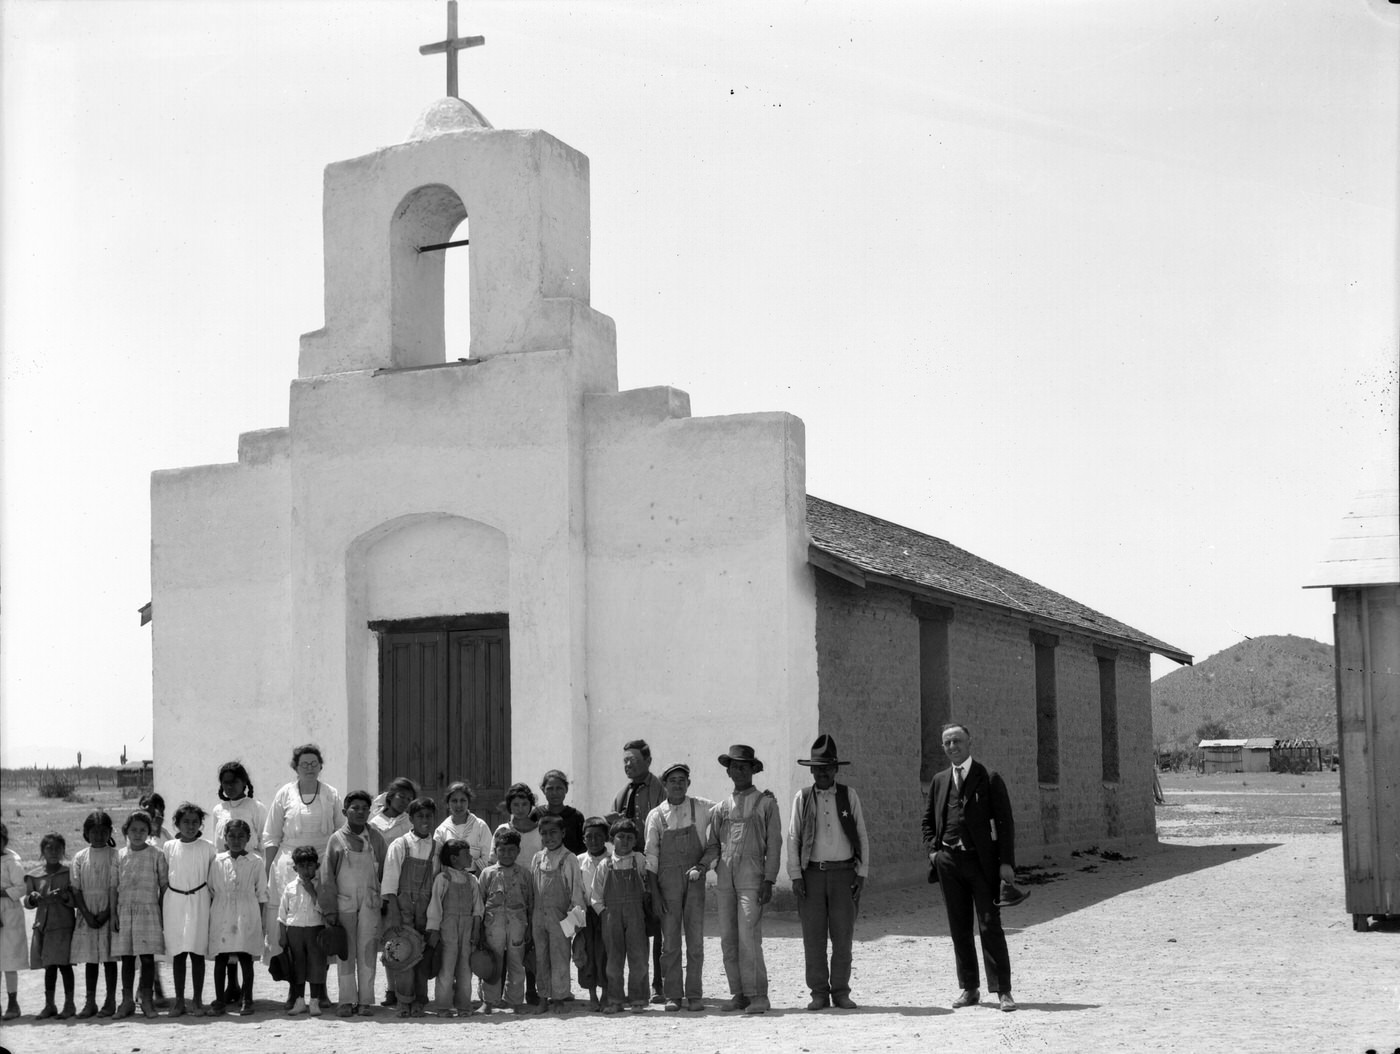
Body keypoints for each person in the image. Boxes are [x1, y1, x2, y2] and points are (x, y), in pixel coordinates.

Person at [921, 722, 1019, 1012]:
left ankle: (1003, 990)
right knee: (959, 927)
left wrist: (1006, 863)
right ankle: (969, 988)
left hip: (982, 863)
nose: (953, 746)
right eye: (948, 743)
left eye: (957, 741)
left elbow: (1005, 823)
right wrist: (933, 853)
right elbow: (927, 822)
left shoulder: (988, 777)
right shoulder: (939, 781)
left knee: (990, 925)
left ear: (969, 743)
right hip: (949, 862)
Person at [786, 733, 869, 1011]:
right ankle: (818, 992)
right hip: (811, 875)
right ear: (811, 770)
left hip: (844, 874)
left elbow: (861, 835)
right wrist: (796, 875)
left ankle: (841, 991)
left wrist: (861, 872)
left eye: (827, 768)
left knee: (843, 936)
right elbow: (793, 837)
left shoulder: (849, 796)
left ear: (835, 769)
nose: (822, 773)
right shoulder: (803, 797)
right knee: (814, 936)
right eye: (817, 768)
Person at [707, 743, 781, 1015]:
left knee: (749, 936)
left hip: (752, 879)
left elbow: (774, 844)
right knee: (728, 938)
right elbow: (713, 844)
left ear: (753, 769)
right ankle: (738, 993)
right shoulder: (720, 808)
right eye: (733, 767)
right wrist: (705, 866)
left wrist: (769, 880)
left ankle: (758, 995)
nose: (738, 771)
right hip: (725, 880)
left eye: (743, 766)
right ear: (728, 772)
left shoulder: (766, 804)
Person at [261, 744, 342, 969]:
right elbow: (271, 836)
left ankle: (320, 989)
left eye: (313, 764)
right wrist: (268, 871)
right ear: (295, 767)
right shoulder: (284, 794)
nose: (309, 768)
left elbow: (340, 832)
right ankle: (293, 988)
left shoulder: (331, 794)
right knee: (291, 925)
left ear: (320, 766)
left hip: (322, 864)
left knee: (320, 922)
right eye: (304, 764)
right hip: (289, 867)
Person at [643, 762, 715, 1012]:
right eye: (672, 780)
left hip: (694, 878)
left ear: (689, 783)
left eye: (682, 780)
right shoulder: (656, 815)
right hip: (667, 883)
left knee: (695, 940)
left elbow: (728, 812)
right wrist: (654, 894)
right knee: (670, 941)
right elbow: (650, 856)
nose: (677, 784)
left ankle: (694, 994)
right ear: (665, 785)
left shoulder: (703, 807)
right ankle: (673, 993)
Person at [319, 789, 386, 1016]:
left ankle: (366, 1001)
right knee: (345, 953)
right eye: (355, 808)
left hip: (370, 903)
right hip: (343, 904)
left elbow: (385, 872)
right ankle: (346, 1001)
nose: (360, 812)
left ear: (370, 811)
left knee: (367, 952)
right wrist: (329, 910)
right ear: (344, 811)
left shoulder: (376, 838)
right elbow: (327, 877)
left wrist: (385, 902)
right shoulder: (336, 840)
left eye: (364, 808)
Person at [610, 739, 666, 1002]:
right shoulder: (623, 793)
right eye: (625, 761)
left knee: (661, 924)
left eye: (633, 760)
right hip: (629, 869)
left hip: (657, 865)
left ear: (648, 761)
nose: (628, 765)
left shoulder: (661, 790)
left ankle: (660, 983)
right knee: (636, 926)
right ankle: (635, 986)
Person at [209, 761, 265, 1004]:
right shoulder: (218, 810)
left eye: (235, 781)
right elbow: (216, 842)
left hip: (248, 870)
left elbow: (263, 839)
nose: (230, 786)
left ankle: (245, 992)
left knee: (242, 938)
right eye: (225, 782)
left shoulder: (256, 807)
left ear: (244, 782)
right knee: (227, 936)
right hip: (225, 870)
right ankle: (230, 987)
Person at [381, 796, 439, 1016]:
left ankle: (420, 999)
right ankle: (404, 999)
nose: (425, 820)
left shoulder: (436, 847)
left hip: (425, 906)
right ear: (412, 819)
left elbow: (436, 881)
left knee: (421, 952)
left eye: (429, 816)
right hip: (403, 905)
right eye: (420, 816)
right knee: (403, 951)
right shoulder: (400, 844)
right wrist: (394, 912)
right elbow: (390, 881)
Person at [206, 818, 266, 1016]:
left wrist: (261, 921)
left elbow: (261, 892)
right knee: (221, 957)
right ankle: (220, 1000)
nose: (236, 840)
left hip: (247, 912)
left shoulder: (256, 862)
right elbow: (213, 888)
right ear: (225, 838)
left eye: (241, 836)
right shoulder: (217, 861)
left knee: (245, 956)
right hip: (222, 912)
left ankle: (247, 1000)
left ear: (249, 838)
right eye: (232, 835)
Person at [112, 809, 167, 1018]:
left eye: (143, 830)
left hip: (148, 912)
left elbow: (163, 886)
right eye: (133, 830)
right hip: (125, 912)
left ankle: (147, 1001)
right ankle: (126, 1002)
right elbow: (112, 887)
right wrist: (114, 914)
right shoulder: (119, 856)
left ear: (149, 832)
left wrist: (161, 913)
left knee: (146, 959)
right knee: (127, 959)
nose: (138, 834)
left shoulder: (156, 854)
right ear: (126, 831)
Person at [529, 813, 586, 1012]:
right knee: (541, 958)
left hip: (561, 918)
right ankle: (543, 996)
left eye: (553, 833)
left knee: (560, 958)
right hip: (538, 917)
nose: (548, 837)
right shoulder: (537, 858)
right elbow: (533, 888)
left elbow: (576, 891)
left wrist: (574, 923)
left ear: (562, 833)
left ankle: (559, 998)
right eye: (543, 834)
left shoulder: (569, 859)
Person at [163, 803, 215, 1016]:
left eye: (195, 822)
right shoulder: (169, 847)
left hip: (199, 900)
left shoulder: (208, 847)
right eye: (186, 822)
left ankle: (197, 1000)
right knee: (178, 952)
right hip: (174, 901)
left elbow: (213, 877)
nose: (190, 826)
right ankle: (179, 1001)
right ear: (177, 824)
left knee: (196, 952)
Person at [367, 775, 415, 1008]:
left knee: (401, 936)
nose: (404, 801)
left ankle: (404, 987)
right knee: (387, 939)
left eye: (408, 798)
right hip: (378, 884)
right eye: (400, 796)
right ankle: (390, 988)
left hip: (402, 885)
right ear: (390, 796)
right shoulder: (374, 822)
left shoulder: (409, 822)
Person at [595, 818, 650, 1013]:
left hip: (635, 913)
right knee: (613, 960)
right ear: (612, 839)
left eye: (629, 838)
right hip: (611, 914)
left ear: (635, 841)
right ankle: (615, 1000)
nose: (625, 841)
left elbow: (647, 886)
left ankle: (638, 999)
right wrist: (605, 913)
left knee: (639, 957)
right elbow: (596, 895)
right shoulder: (605, 864)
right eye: (620, 837)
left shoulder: (640, 860)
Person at [476, 827, 534, 1013]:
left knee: (516, 962)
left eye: (511, 850)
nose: (507, 854)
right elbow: (480, 902)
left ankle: (515, 1001)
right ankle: (489, 1001)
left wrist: (529, 928)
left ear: (518, 851)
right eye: (502, 850)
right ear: (496, 851)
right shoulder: (487, 873)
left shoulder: (525, 874)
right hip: (493, 925)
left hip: (518, 923)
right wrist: (480, 930)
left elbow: (530, 902)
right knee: (493, 963)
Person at [70, 810, 119, 1018]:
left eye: (103, 831)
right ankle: (90, 1002)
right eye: (94, 831)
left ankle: (110, 1000)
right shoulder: (80, 857)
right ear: (86, 833)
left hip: (110, 910)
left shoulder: (116, 855)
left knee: (109, 959)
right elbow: (76, 889)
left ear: (110, 832)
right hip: (87, 913)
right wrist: (87, 914)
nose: (98, 836)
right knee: (91, 960)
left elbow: (119, 887)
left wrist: (108, 912)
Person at [425, 838, 482, 1016]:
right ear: (454, 859)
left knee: (466, 967)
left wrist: (476, 930)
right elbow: (435, 906)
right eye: (466, 854)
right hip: (447, 928)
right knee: (446, 967)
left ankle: (464, 1005)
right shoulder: (443, 878)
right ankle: (443, 1006)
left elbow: (477, 908)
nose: (471, 857)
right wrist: (433, 931)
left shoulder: (471, 880)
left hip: (466, 928)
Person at [25, 832, 76, 1019]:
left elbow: (75, 900)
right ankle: (50, 1005)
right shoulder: (35, 876)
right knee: (49, 967)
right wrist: (33, 898)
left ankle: (69, 1004)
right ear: (42, 851)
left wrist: (64, 897)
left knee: (65, 966)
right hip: (44, 927)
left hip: (63, 926)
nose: (54, 852)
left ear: (64, 851)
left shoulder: (69, 873)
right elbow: (27, 902)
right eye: (49, 848)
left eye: (58, 848)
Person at [277, 844, 328, 1016]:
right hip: (295, 930)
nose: (306, 870)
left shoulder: (321, 886)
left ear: (317, 866)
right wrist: (282, 934)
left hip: (315, 929)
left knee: (316, 964)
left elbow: (325, 908)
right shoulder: (290, 887)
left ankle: (315, 1001)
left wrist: (312, 892)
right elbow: (282, 913)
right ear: (295, 867)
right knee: (297, 965)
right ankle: (299, 1001)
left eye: (310, 866)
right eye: (302, 866)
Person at [574, 816, 611, 1011]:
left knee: (605, 952)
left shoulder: (613, 860)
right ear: (583, 839)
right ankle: (591, 995)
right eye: (589, 836)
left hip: (606, 913)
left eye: (599, 836)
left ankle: (606, 992)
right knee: (586, 953)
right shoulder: (578, 861)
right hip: (585, 913)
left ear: (606, 837)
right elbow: (575, 889)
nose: (594, 840)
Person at [433, 781, 493, 873]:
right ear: (448, 803)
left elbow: (488, 856)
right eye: (454, 801)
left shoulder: (480, 826)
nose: (459, 805)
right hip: (449, 880)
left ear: (468, 802)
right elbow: (437, 859)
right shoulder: (441, 830)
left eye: (463, 800)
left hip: (476, 878)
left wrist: (475, 879)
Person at [0, 822, 26, 1019]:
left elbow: (21, 888)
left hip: (8, 912)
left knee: (8, 960)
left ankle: (13, 1003)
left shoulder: (12, 861)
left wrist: (3, 892)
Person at [535, 770, 586, 854]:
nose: (554, 793)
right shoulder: (536, 814)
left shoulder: (576, 816)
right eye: (550, 789)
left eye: (559, 788)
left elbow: (583, 847)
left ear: (566, 789)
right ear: (543, 790)